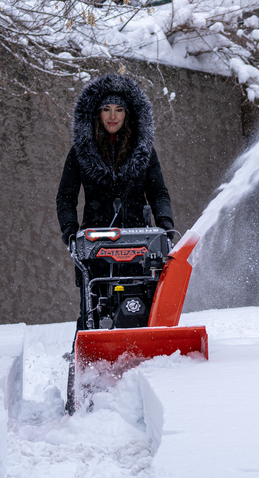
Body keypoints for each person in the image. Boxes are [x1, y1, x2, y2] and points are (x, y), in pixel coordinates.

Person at [56, 73, 175, 331]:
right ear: (96, 113)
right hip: (95, 244)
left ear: (128, 113)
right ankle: (89, 348)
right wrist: (70, 230)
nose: (113, 116)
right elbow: (66, 195)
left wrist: (165, 223)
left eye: (119, 110)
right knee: (93, 303)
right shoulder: (80, 151)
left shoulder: (144, 150)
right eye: (106, 109)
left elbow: (158, 192)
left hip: (138, 242)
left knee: (142, 299)